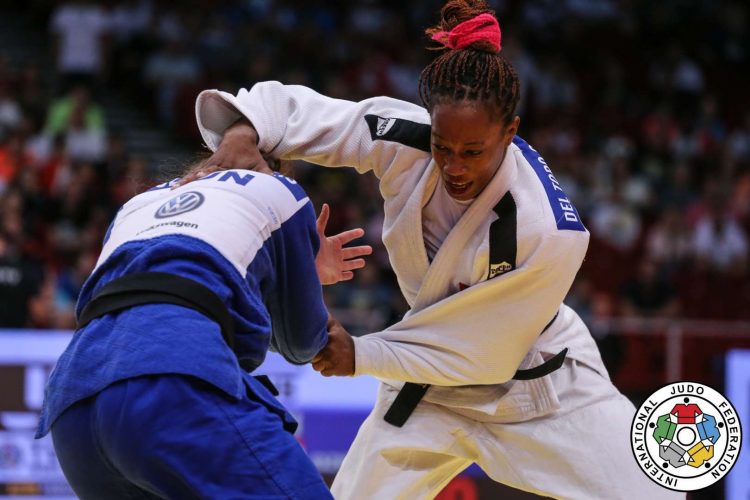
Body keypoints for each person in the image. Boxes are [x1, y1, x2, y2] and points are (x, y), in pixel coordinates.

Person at [190, 1, 681, 498]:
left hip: (541, 390)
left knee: (656, 491)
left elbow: (482, 355)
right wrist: (243, 132)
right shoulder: (407, 138)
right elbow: (304, 114)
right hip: (426, 391)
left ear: (509, 132)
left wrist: (362, 353)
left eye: (473, 152)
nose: (455, 166)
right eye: (444, 147)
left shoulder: (550, 231)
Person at [35, 160, 372, 498]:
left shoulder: (136, 204)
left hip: (74, 397)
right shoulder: (282, 190)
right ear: (279, 159)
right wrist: (308, 271)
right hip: (170, 378)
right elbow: (302, 343)